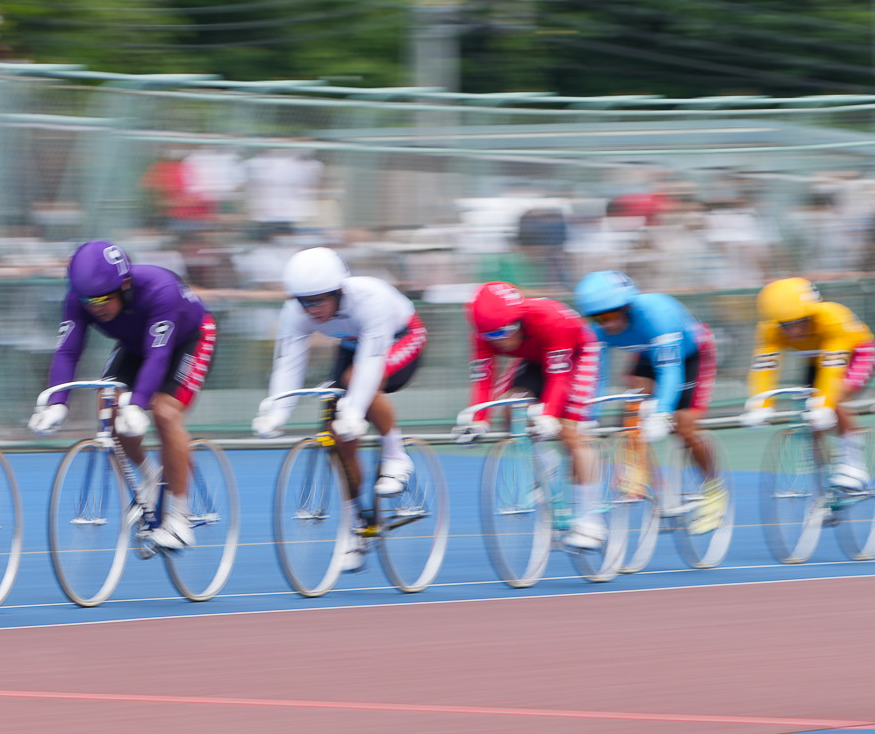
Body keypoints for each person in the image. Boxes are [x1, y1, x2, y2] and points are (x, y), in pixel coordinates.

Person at [31, 240, 218, 549]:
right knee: (108, 404)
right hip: (136, 345)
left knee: (164, 412)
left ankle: (180, 518)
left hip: (190, 338)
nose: (96, 307)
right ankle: (150, 474)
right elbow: (67, 352)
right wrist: (56, 403)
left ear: (125, 283)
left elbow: (158, 356)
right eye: (87, 300)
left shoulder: (160, 289)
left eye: (103, 298)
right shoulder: (81, 298)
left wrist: (139, 403)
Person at [251, 248, 427, 572]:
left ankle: (396, 456)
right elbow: (289, 363)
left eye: (318, 301)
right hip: (352, 343)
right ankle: (355, 525)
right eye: (305, 302)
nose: (311, 309)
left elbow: (371, 363)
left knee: (356, 384)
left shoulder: (369, 299)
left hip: (401, 337)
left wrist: (355, 412)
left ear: (339, 291)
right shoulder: (296, 312)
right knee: (340, 438)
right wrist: (278, 411)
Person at [573, 270, 726, 533]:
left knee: (684, 426)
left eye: (610, 315)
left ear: (627, 307)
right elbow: (597, 374)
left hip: (690, 355)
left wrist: (662, 413)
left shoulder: (658, 316)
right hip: (647, 354)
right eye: (597, 317)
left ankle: (713, 490)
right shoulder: (598, 331)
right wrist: (589, 416)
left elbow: (670, 370)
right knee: (632, 400)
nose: (605, 324)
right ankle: (645, 474)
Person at [461, 281, 605, 548]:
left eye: (508, 330)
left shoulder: (549, 319)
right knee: (509, 404)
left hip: (576, 353)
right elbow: (483, 380)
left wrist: (549, 414)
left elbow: (559, 377)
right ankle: (544, 463)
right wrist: (478, 420)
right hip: (533, 356)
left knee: (569, 430)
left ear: (520, 318)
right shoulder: (482, 336)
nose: (503, 340)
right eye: (493, 336)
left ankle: (591, 519)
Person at [741, 277, 875, 492]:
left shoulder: (831, 318)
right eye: (786, 326)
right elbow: (764, 368)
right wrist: (760, 405)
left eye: (800, 322)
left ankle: (854, 465)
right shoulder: (770, 329)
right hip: (817, 360)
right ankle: (824, 487)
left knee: (835, 399)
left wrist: (825, 404)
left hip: (856, 352)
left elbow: (832, 370)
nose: (794, 331)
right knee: (810, 417)